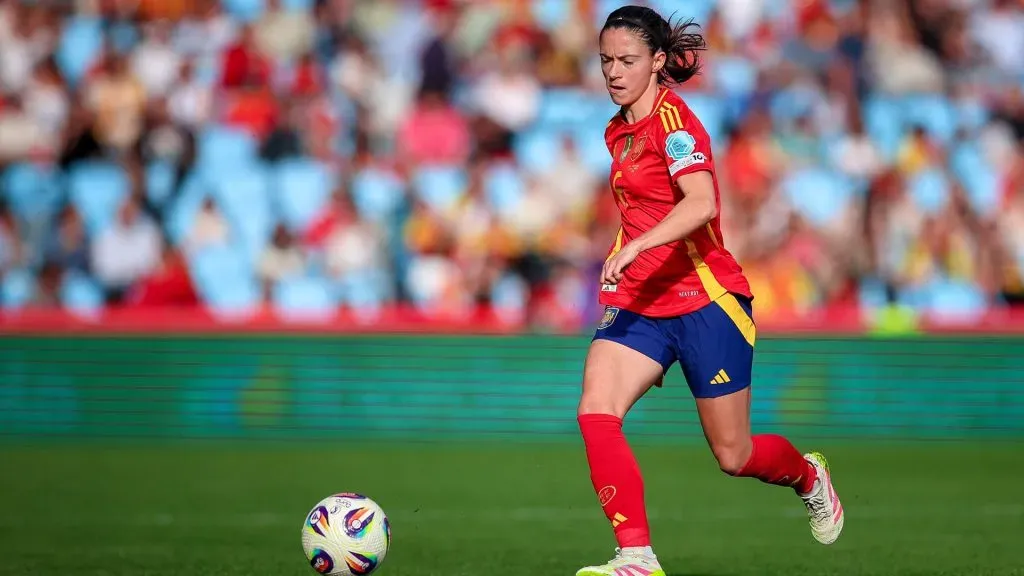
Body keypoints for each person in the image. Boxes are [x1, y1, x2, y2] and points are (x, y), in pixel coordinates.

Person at [575, 7, 844, 576]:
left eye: (627, 60)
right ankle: (636, 556)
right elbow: (643, 208)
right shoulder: (616, 129)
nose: (614, 72)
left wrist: (635, 246)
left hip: (708, 301)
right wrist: (624, 250)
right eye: (606, 61)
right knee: (596, 410)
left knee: (734, 455)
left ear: (656, 61)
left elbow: (701, 205)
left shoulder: (676, 125)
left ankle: (808, 474)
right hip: (642, 302)